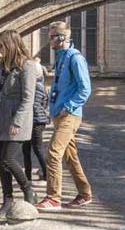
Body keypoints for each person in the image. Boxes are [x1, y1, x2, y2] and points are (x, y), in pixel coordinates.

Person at [35, 21, 94, 211]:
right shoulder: (61, 57)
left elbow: (85, 89)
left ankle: (53, 198)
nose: (49, 40)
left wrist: (68, 107)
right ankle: (84, 193)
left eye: (52, 36)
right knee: (70, 156)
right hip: (59, 114)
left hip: (69, 115)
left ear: (62, 38)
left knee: (53, 153)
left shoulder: (75, 58)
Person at [0, 30, 39, 219]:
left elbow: (28, 97)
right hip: (2, 118)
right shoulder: (3, 65)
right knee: (2, 163)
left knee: (9, 159)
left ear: (11, 44)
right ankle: (7, 200)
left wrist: (17, 122)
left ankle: (29, 190)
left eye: (1, 45)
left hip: (17, 121)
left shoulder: (27, 65)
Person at [23, 58, 49, 181]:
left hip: (35, 121)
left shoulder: (35, 86)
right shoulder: (42, 86)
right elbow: (45, 104)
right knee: (27, 149)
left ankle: (46, 174)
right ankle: (28, 175)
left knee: (36, 149)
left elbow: (33, 105)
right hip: (38, 120)